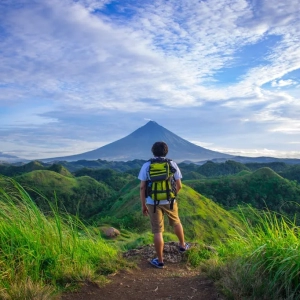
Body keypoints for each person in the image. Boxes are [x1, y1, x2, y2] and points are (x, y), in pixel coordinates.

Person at [138, 141, 189, 269]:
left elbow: (142, 187)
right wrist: (171, 195)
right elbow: (179, 185)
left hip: (152, 202)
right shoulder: (172, 164)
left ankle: (160, 261)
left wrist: (143, 205)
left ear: (153, 151)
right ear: (166, 151)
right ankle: (182, 246)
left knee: (157, 231)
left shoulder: (147, 165)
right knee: (176, 222)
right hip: (170, 201)